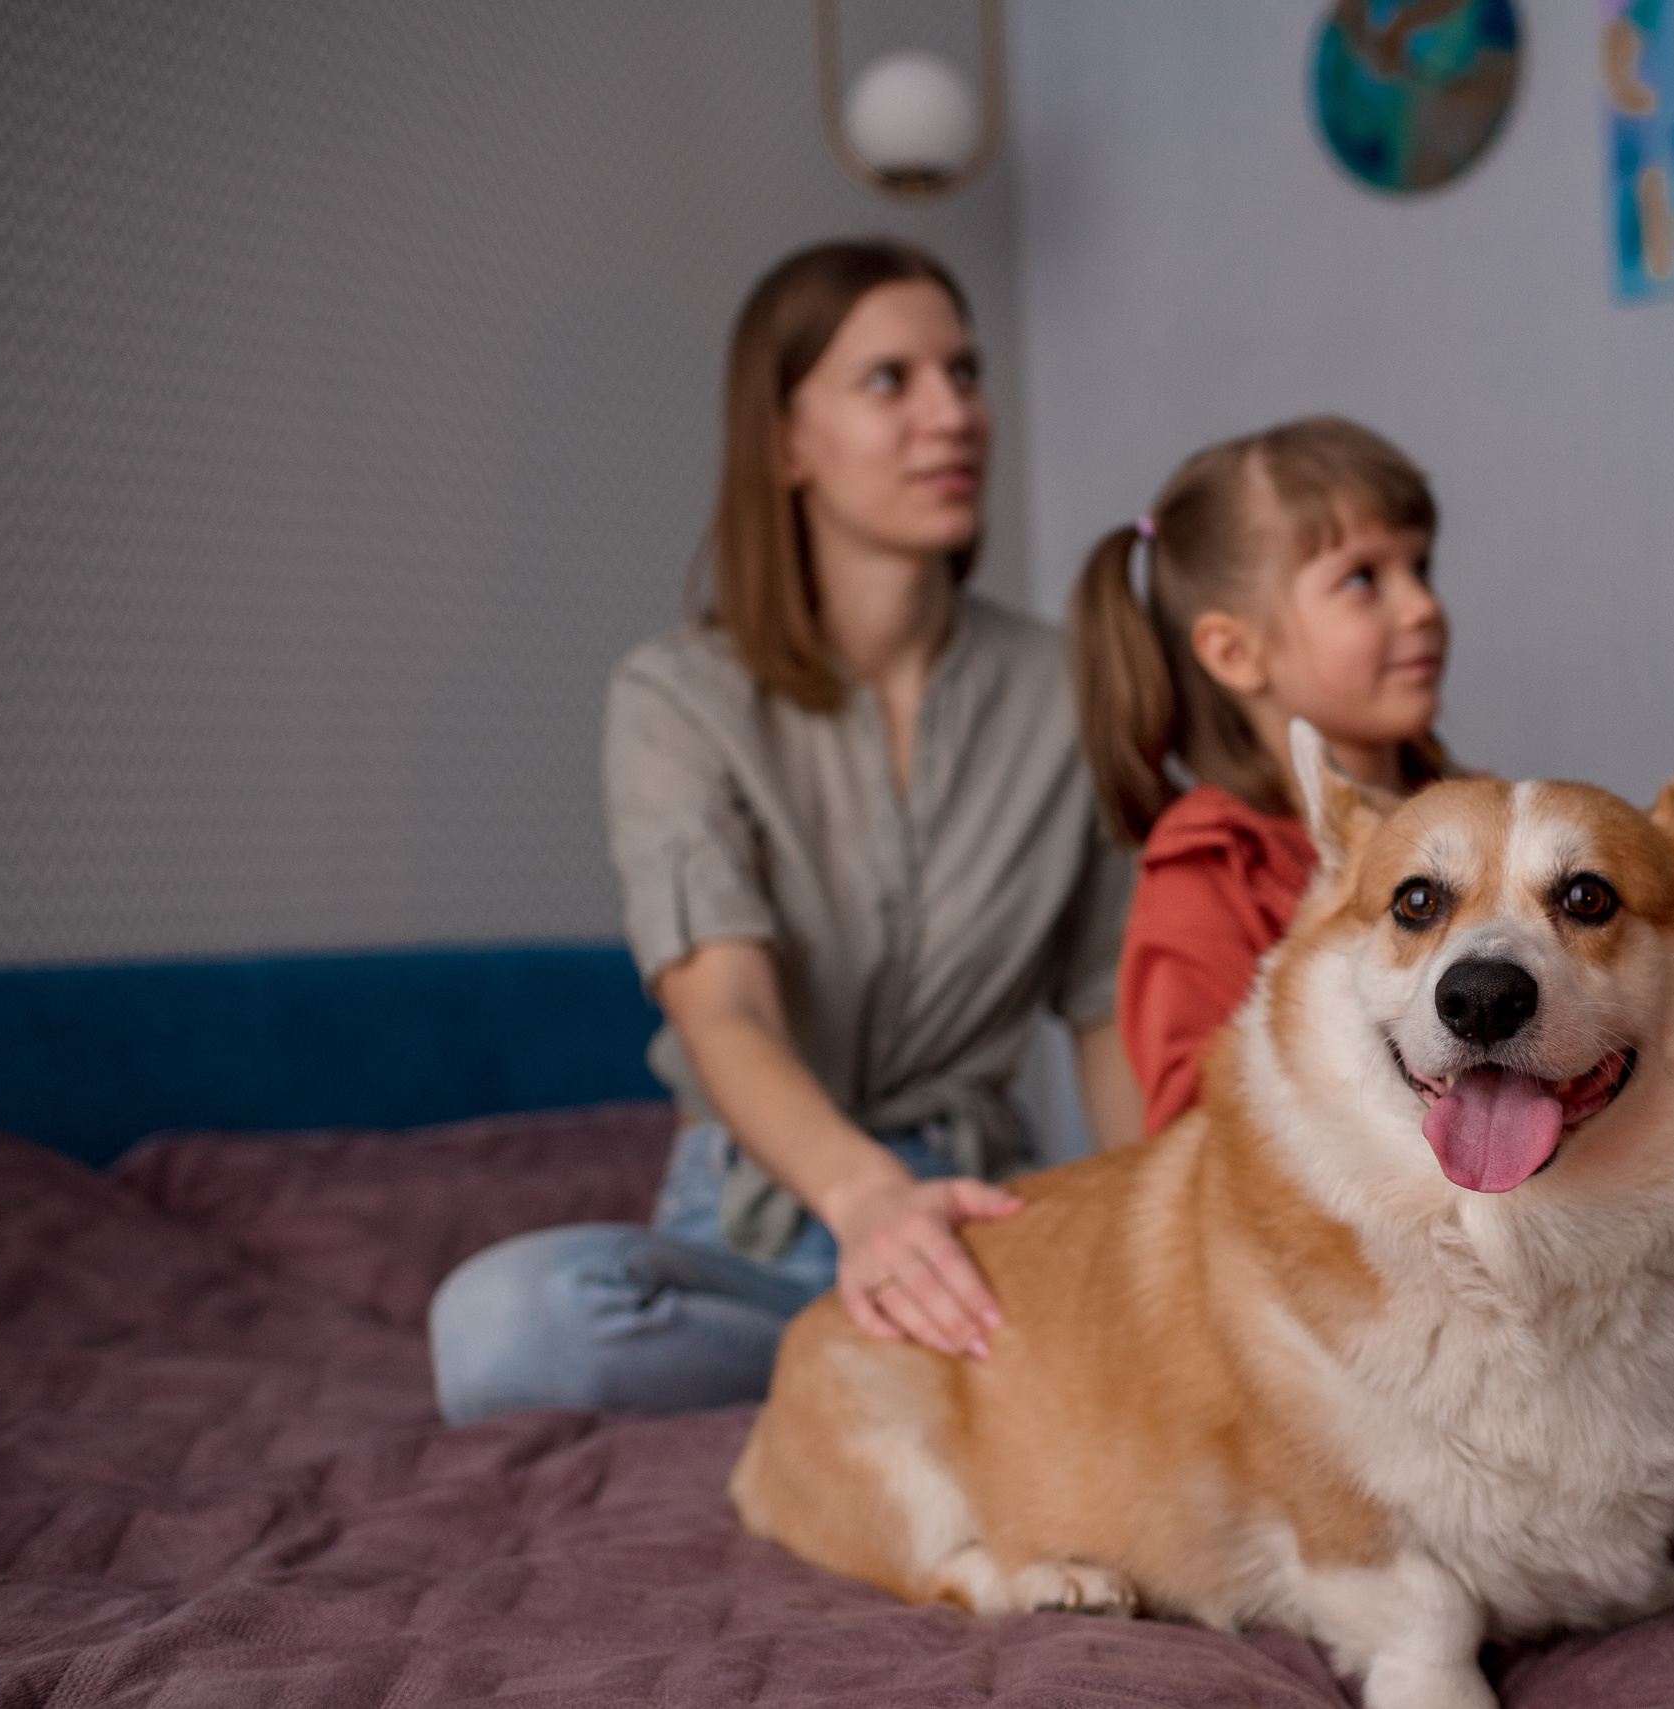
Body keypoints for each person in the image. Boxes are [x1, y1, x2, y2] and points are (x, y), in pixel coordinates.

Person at [1066, 415, 1674, 1520]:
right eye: (1363, 579)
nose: (1419, 606)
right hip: (1363, 1298)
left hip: (1588, 1271)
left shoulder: (1491, 810)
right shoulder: (1205, 872)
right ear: (1232, 649)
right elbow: (1194, 1155)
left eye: (1421, 566)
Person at [428, 240, 1142, 1426]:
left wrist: (1164, 1241)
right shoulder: (675, 696)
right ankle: (875, 1366)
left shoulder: (1073, 688)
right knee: (504, 1324)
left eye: (963, 374)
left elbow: (1111, 1013)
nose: (951, 413)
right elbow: (725, 1011)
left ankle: (890, 1371)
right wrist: (868, 1204)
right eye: (889, 380)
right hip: (757, 1227)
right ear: (784, 441)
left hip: (988, 1217)